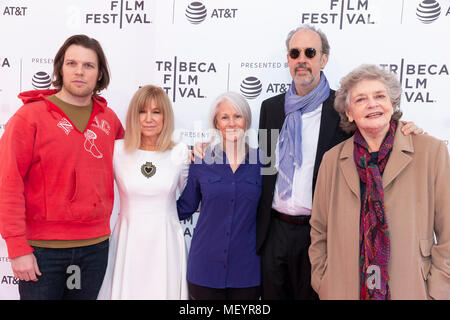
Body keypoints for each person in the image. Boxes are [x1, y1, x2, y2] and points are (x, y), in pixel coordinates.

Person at [257, 25, 423, 300]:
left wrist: (405, 127)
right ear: (287, 59)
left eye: (310, 52)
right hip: (274, 231)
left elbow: (376, 133)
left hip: (319, 234)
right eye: (294, 53)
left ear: (323, 60)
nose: (302, 59)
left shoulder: (342, 108)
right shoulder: (270, 108)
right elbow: (265, 166)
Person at [309, 64, 450, 300]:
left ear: (392, 104)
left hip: (412, 289)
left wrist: (438, 291)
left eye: (379, 96)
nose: (372, 104)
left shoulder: (431, 152)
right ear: (349, 113)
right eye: (361, 99)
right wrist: (323, 281)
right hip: (342, 290)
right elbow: (319, 229)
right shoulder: (332, 160)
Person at [0, 34, 124, 299]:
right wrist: (17, 248)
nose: (79, 71)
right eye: (72, 63)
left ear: (100, 73)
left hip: (95, 248)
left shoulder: (110, 120)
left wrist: (191, 152)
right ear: (60, 68)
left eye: (89, 65)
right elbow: (8, 183)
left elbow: (137, 158)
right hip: (43, 251)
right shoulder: (29, 117)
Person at [98, 85, 189, 300]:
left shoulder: (180, 152)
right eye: (142, 111)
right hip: (128, 243)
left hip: (166, 244)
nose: (149, 118)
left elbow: (191, 197)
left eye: (156, 112)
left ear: (166, 116)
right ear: (133, 116)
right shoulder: (116, 150)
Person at [177, 92, 262, 300]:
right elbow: (185, 207)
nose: (231, 123)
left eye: (238, 116)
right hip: (205, 269)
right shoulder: (201, 160)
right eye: (225, 117)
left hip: (247, 271)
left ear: (247, 120)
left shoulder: (263, 163)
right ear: (216, 123)